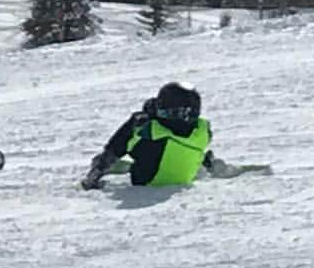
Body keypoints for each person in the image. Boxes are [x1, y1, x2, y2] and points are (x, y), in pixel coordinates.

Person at [80, 81, 215, 190]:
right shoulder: (204, 130)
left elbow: (118, 145)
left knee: (132, 137)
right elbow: (178, 129)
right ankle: (205, 162)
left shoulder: (149, 129)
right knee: (182, 148)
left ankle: (101, 168)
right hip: (182, 177)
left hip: (147, 181)